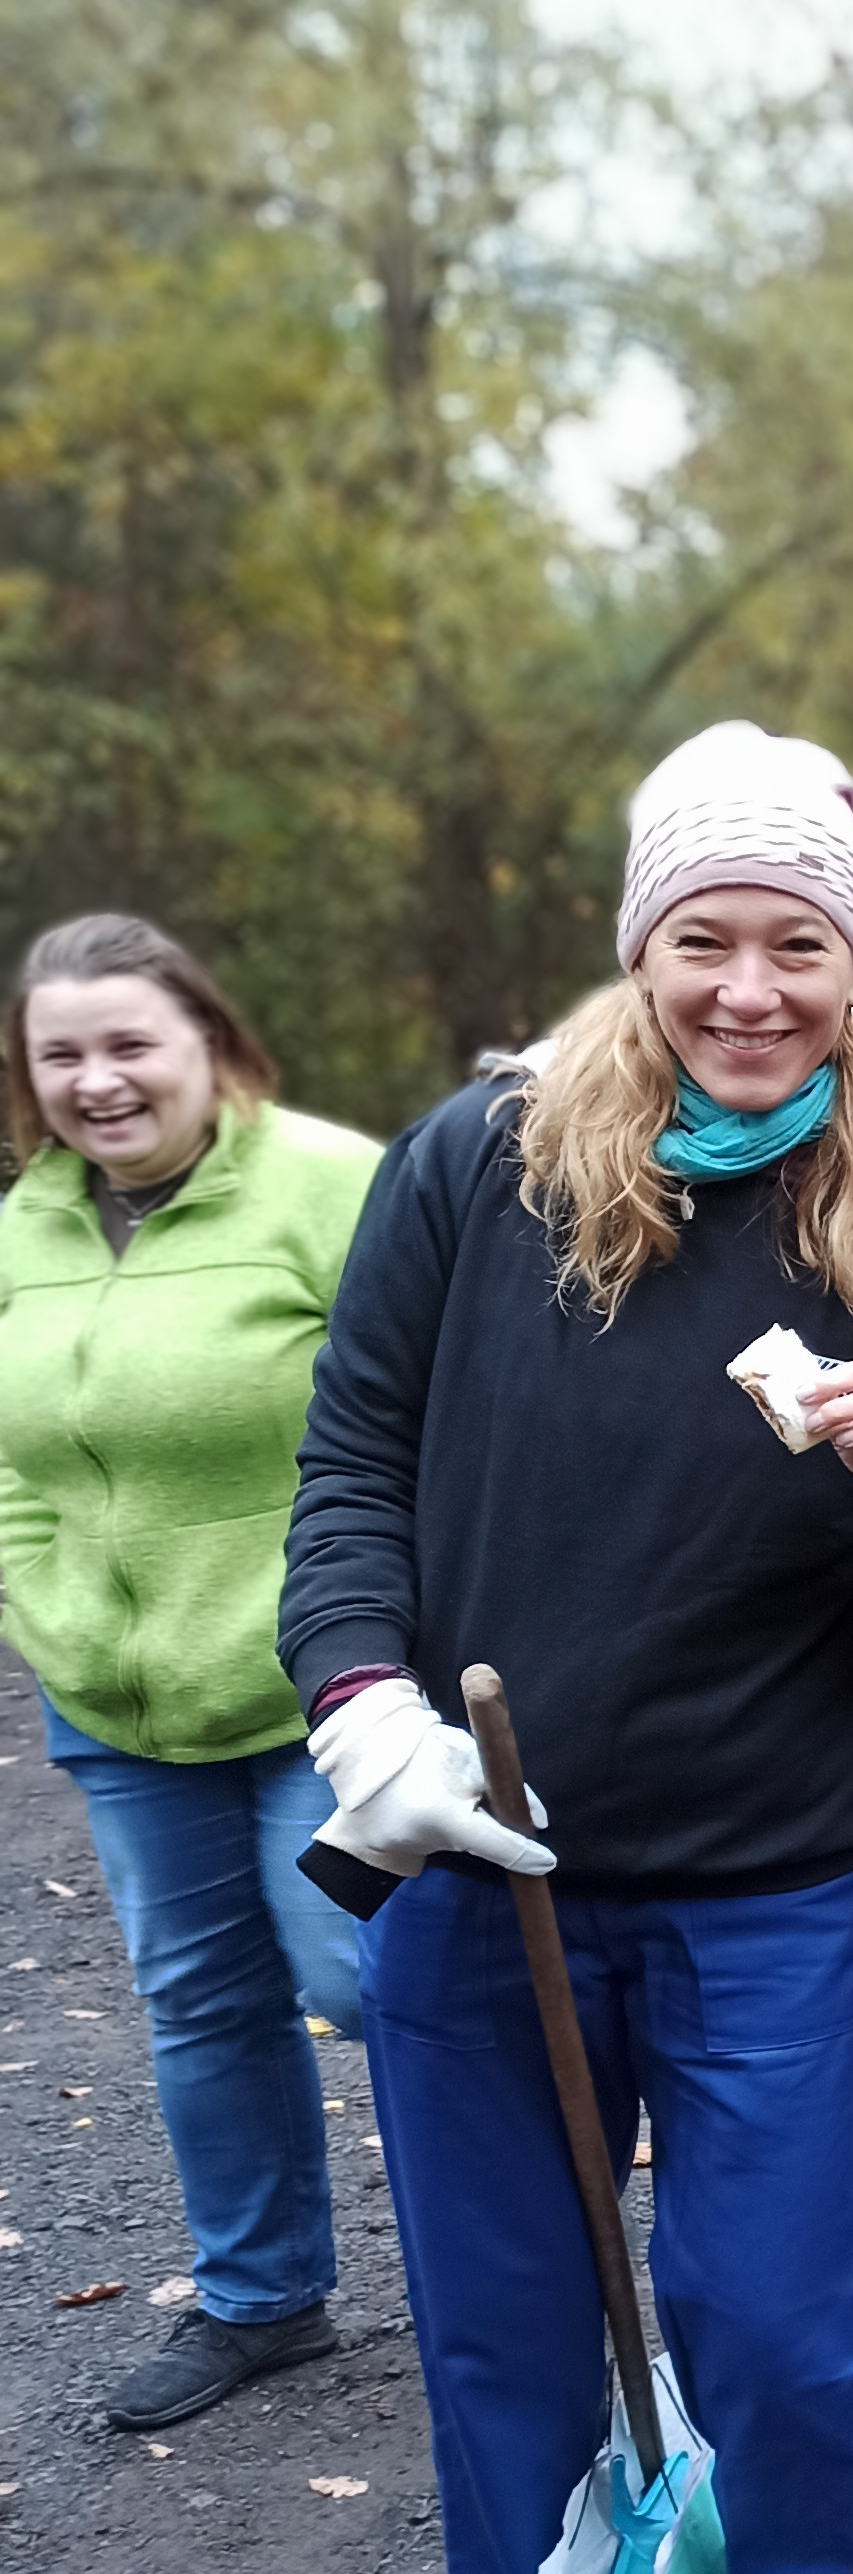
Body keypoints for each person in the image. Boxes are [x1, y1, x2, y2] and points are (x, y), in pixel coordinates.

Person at [280, 722, 853, 2574]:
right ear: (638, 948)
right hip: (479, 1874)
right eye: (701, 937)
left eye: (794, 941)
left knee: (791, 2333)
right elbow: (347, 1473)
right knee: (510, 2335)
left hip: (770, 1888)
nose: (746, 984)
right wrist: (363, 1710)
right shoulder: (476, 1167)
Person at [0, 917, 380, 2428]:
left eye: (129, 1043)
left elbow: (419, 1410)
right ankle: (262, 2297)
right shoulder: (22, 1228)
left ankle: (529, 2268)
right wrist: (42, 1604)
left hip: (324, 1683)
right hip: (116, 1694)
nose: (98, 1080)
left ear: (211, 1046)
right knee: (199, 1996)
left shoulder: (328, 1186)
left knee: (363, 1973)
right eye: (61, 1053)